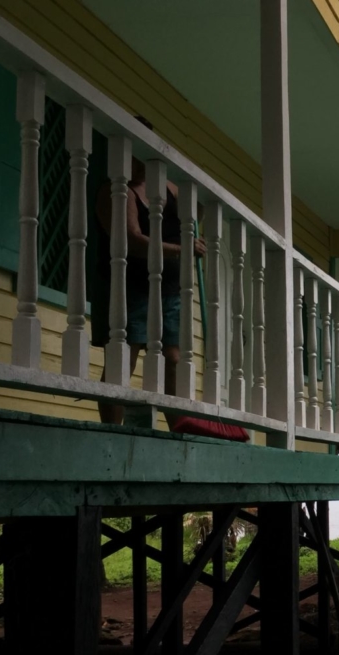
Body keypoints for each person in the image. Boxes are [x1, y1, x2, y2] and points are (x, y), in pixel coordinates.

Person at [92, 117, 205, 425]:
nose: (138, 158)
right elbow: (132, 240)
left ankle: (177, 428)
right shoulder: (116, 190)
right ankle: (111, 431)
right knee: (125, 355)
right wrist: (182, 248)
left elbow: (197, 209)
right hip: (130, 287)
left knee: (173, 358)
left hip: (168, 288)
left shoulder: (167, 189)